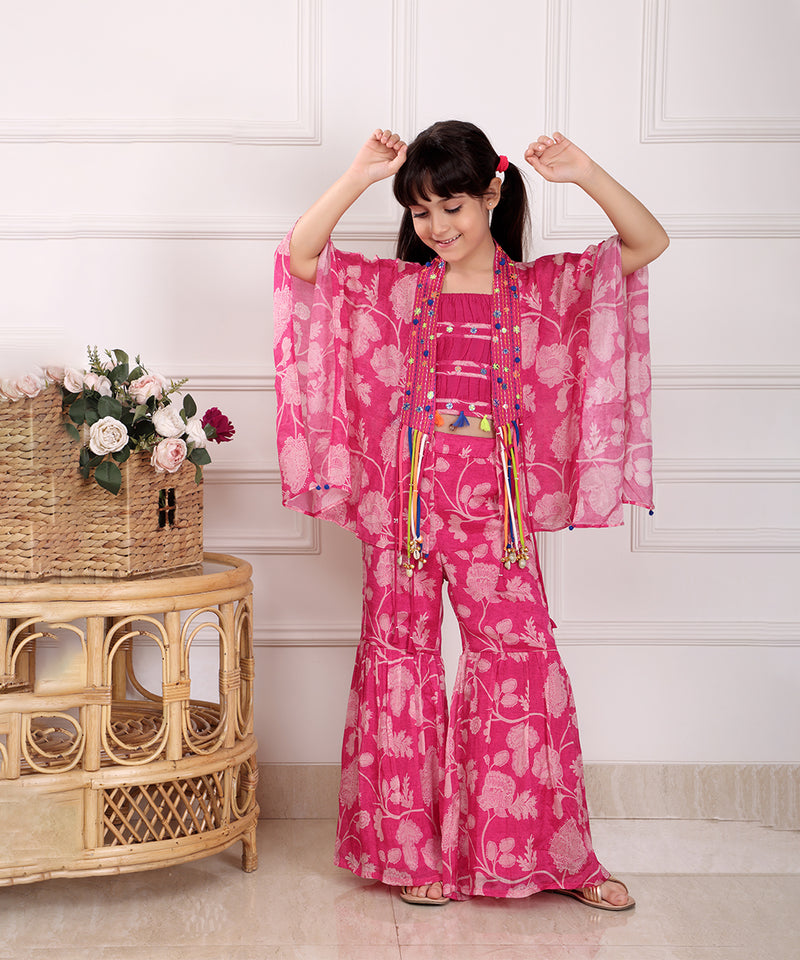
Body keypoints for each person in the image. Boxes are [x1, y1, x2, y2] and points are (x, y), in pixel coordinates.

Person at [274, 121, 668, 909]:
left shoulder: (542, 288)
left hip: (496, 508)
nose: (438, 228)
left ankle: (554, 860)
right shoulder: (395, 288)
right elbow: (303, 259)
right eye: (421, 213)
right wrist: (356, 176)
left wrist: (586, 172)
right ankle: (413, 858)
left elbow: (646, 241)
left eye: (451, 205)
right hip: (405, 508)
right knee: (400, 660)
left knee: (522, 666)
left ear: (491, 193)